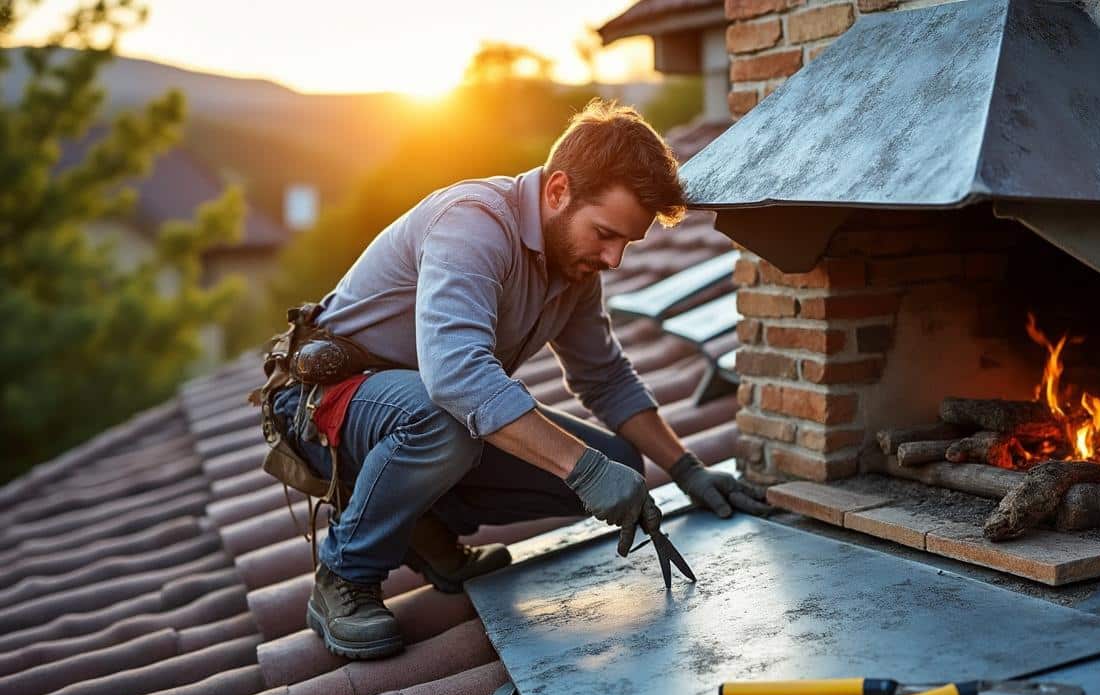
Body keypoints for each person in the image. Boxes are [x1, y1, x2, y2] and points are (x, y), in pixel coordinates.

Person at [267, 100, 769, 660]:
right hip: (324, 408)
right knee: (450, 422)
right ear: (558, 191)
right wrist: (583, 470)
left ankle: (421, 525)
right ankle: (344, 574)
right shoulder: (474, 223)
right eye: (605, 234)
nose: (614, 259)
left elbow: (604, 378)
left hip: (418, 415)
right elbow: (456, 376)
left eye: (626, 243)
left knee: (621, 464)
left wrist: (687, 470)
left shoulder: (574, 268)